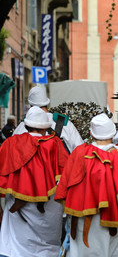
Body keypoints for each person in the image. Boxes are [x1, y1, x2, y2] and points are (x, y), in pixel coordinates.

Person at [55, 113, 118, 257]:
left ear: (91, 133)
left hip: (84, 222)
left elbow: (64, 188)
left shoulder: (78, 154)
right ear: (113, 132)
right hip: (115, 221)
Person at [0, 106, 69, 257]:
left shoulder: (11, 143)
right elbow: (66, 175)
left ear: (26, 125)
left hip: (18, 209)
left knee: (17, 246)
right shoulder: (55, 144)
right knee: (47, 247)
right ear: (45, 127)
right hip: (48, 207)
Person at [13, 84, 84, 153]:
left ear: (30, 104)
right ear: (47, 103)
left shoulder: (22, 126)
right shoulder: (65, 123)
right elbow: (80, 152)